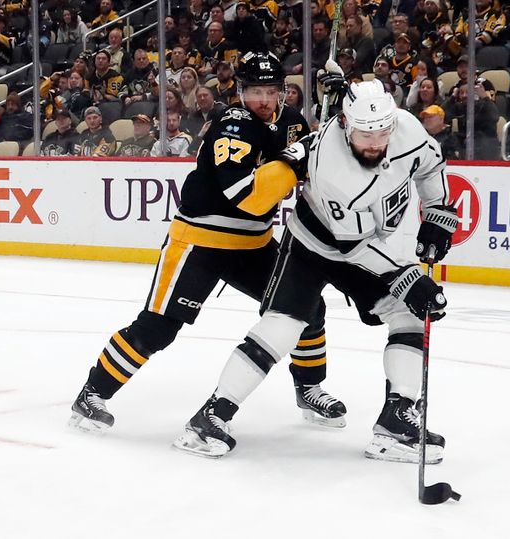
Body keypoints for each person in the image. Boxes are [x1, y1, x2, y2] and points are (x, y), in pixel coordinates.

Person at [172, 78, 458, 462]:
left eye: (382, 132)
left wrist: (438, 213)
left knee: (407, 315)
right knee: (284, 326)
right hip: (312, 245)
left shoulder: (405, 127)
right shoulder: (332, 164)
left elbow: (430, 165)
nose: (375, 143)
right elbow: (351, 245)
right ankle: (210, 417)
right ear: (344, 123)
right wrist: (408, 277)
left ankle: (397, 423)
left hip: (362, 243)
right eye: (364, 134)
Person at [68, 52, 345, 434]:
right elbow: (245, 194)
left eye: (269, 91)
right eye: (253, 92)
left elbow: (339, 156)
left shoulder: (294, 124)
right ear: (240, 92)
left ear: (283, 92)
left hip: (253, 243)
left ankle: (310, 388)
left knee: (307, 307)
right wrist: (291, 161)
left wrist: (341, 108)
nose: (261, 101)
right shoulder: (233, 124)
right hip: (200, 240)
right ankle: (92, 393)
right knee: (158, 329)